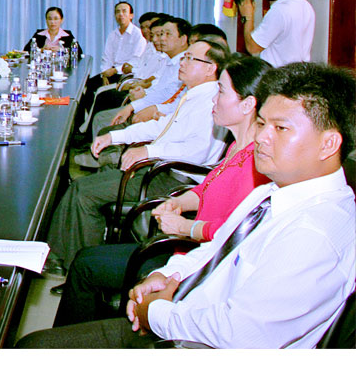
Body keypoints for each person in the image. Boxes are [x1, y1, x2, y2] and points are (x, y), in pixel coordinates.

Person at [20, 61, 355, 348]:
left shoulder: (315, 233)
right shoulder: (271, 194)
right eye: (263, 123)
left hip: (194, 342)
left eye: (280, 128)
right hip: (182, 314)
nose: (263, 137)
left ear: (329, 144)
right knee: (35, 345)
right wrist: (166, 274)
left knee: (34, 348)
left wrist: (155, 313)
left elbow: (239, 334)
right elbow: (215, 251)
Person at [52, 54, 272, 325]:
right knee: (87, 260)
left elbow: (238, 233)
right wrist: (180, 202)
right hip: (188, 251)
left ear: (247, 104)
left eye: (221, 92)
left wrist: (185, 227)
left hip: (201, 264)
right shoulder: (236, 147)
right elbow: (206, 188)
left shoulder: (257, 163)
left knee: (86, 265)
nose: (214, 100)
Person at [46, 38, 227, 272]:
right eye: (184, 57)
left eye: (190, 58)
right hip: (161, 169)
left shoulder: (210, 101)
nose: (183, 62)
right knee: (81, 187)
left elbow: (197, 152)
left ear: (210, 68)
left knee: (84, 192)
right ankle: (59, 256)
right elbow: (161, 127)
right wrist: (114, 137)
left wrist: (148, 150)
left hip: (175, 180)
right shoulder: (195, 94)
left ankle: (77, 266)